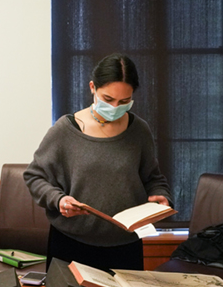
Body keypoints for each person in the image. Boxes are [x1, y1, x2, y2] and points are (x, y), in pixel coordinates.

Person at [24, 53, 172, 271]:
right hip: (71, 244)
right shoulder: (66, 129)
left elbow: (153, 179)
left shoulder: (139, 130)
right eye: (108, 99)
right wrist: (59, 200)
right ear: (93, 87)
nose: (114, 108)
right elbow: (35, 176)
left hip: (125, 246)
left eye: (123, 102)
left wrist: (161, 196)